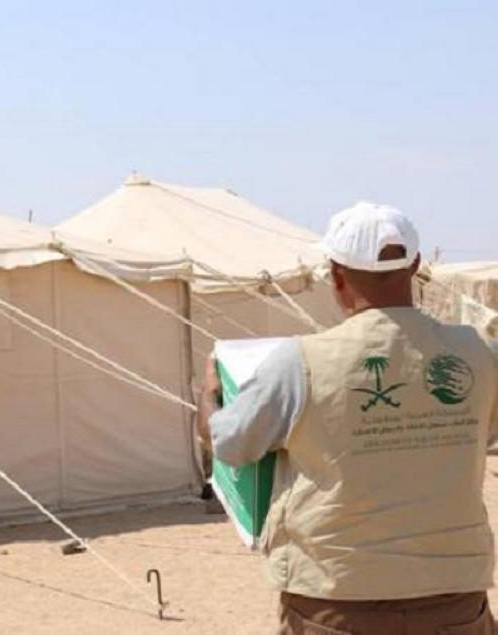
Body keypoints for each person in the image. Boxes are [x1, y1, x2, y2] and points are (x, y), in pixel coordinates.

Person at [198, 202, 498, 634]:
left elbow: (227, 444)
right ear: (415, 265)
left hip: (336, 602)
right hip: (454, 603)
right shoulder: (480, 355)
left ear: (335, 274)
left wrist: (208, 395)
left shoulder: (301, 363)